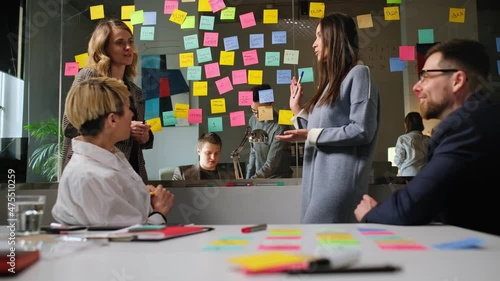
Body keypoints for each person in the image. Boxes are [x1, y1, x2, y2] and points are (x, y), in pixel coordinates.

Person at [355, 38, 500, 236]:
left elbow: (412, 206)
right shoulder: (477, 120)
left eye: (426, 77)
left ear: (457, 80)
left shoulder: (467, 128)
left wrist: (372, 213)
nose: (417, 87)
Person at [276, 12, 380, 223]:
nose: (314, 44)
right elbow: (317, 131)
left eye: (318, 36)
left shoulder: (359, 74)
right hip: (317, 180)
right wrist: (297, 109)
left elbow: (362, 130)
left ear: (335, 38)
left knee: (319, 239)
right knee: (317, 244)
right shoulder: (331, 84)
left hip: (338, 182)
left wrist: (311, 134)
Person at [52, 77, 175, 226]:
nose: (131, 115)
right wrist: (160, 211)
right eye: (129, 108)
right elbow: (126, 239)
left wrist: (141, 196)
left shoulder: (110, 157)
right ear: (112, 120)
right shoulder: (91, 176)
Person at [61, 18, 153, 183]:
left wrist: (145, 136)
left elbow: (135, 136)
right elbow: (69, 126)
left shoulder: (135, 91)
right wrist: (118, 125)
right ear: (103, 49)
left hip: (131, 173)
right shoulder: (89, 77)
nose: (128, 48)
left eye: (130, 42)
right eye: (119, 43)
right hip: (93, 173)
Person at [246, 84, 293, 179]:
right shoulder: (253, 120)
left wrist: (253, 179)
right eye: (253, 111)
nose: (256, 115)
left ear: (271, 105)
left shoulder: (281, 127)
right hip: (259, 178)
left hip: (278, 180)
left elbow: (272, 164)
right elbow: (253, 153)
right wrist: (247, 179)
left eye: (260, 110)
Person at [393, 112, 430, 176]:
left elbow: (399, 159)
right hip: (426, 172)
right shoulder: (428, 139)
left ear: (407, 124)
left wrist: (401, 167)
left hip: (409, 172)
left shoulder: (403, 139)